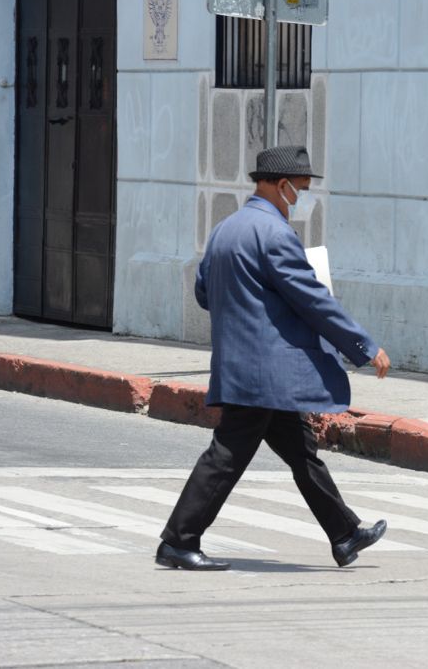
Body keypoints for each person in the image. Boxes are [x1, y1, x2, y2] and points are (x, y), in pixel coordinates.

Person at [156, 145, 392, 571]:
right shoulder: (276, 234)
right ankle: (178, 540)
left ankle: (344, 533)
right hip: (264, 372)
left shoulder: (225, 229)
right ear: (282, 186)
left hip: (247, 367)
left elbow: (205, 293)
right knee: (227, 455)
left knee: (301, 451)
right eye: (301, 188)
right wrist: (364, 346)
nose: (302, 198)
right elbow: (313, 301)